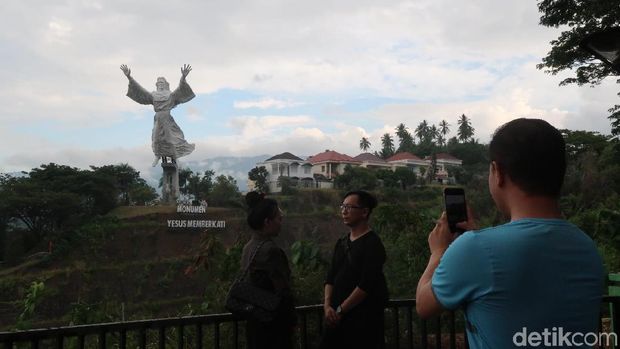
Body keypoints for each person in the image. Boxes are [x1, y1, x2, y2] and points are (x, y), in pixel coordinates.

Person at [416, 118, 605, 348]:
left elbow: (423, 305)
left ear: (498, 173)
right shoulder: (586, 247)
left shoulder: (476, 249)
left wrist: (438, 252)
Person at [320, 190, 388, 349]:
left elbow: (366, 284)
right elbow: (330, 277)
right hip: (336, 318)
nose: (344, 211)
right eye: (343, 206)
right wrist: (327, 306)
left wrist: (341, 309)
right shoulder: (342, 242)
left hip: (361, 320)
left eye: (350, 207)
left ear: (364, 212)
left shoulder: (373, 244)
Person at [242, 192, 296, 349]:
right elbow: (283, 290)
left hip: (255, 322)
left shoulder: (248, 247)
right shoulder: (270, 250)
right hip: (273, 327)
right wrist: (291, 320)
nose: (281, 222)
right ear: (267, 222)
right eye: (279, 218)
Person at [120, 64, 196, 166]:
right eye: (159, 82)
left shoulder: (170, 95)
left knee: (169, 139)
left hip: (167, 118)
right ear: (157, 84)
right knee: (156, 138)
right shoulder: (153, 95)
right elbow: (140, 90)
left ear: (165, 84)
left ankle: (175, 157)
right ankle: (157, 156)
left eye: (162, 82)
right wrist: (129, 77)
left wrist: (183, 77)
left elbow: (180, 88)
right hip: (158, 118)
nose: (160, 84)